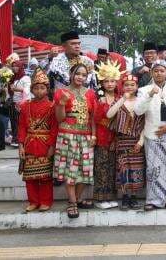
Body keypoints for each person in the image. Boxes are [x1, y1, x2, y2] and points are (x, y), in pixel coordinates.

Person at [134, 60, 166, 211]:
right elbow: (138, 111)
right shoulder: (143, 90)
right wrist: (149, 94)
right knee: (154, 168)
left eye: (162, 71)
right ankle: (154, 200)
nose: (159, 73)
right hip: (152, 133)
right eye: (156, 71)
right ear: (151, 73)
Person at [53, 63, 97, 219]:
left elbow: (93, 118)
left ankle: (77, 199)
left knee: (85, 171)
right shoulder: (61, 92)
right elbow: (59, 119)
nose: (81, 77)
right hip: (67, 135)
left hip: (85, 136)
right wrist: (62, 103)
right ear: (71, 74)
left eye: (84, 75)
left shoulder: (91, 93)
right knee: (70, 171)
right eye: (78, 74)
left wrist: (94, 135)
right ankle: (72, 202)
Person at [17, 68, 58, 212]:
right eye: (36, 88)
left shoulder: (53, 106)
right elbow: (21, 127)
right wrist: (20, 145)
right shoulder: (25, 106)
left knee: (45, 177)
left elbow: (54, 129)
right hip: (29, 144)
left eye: (42, 88)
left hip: (45, 144)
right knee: (30, 177)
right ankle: (33, 201)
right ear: (32, 89)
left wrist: (52, 146)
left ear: (47, 89)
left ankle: (46, 201)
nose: (39, 91)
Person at [106, 73, 145, 210]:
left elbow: (145, 124)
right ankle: (125, 196)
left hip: (136, 140)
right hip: (122, 140)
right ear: (122, 86)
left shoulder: (141, 101)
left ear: (137, 86)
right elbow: (109, 114)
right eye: (126, 85)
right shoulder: (118, 100)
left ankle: (133, 197)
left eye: (132, 85)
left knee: (136, 169)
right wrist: (123, 99)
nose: (129, 87)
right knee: (122, 169)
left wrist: (141, 142)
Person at [92, 60, 124, 209]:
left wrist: (116, 138)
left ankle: (110, 196)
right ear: (102, 83)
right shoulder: (98, 98)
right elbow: (94, 119)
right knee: (101, 167)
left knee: (112, 167)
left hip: (115, 136)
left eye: (112, 81)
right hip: (101, 135)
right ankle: (100, 198)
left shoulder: (120, 99)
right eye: (107, 81)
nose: (110, 84)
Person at [9, 60, 31, 148]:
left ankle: (20, 140)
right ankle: (16, 139)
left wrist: (17, 89)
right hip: (14, 102)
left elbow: (27, 90)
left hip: (22, 104)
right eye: (13, 66)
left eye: (16, 66)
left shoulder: (25, 78)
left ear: (21, 67)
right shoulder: (14, 77)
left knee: (20, 122)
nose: (14, 67)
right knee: (14, 122)